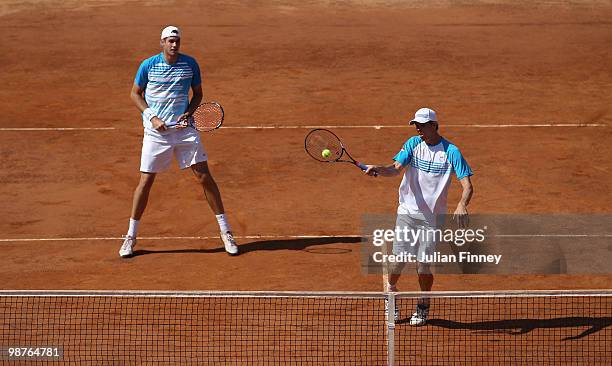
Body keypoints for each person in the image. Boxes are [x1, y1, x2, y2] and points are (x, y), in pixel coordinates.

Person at [119, 26, 239, 258]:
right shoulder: (148, 65)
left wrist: (189, 113)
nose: (174, 45)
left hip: (185, 131)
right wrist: (151, 117)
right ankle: (131, 237)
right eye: (170, 41)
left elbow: (199, 95)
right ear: (162, 42)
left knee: (204, 176)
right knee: (146, 181)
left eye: (177, 41)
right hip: (156, 133)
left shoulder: (190, 64)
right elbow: (135, 94)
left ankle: (226, 232)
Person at [365, 107, 473, 325]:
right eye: (416, 125)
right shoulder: (413, 145)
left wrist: (462, 204)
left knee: (423, 265)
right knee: (399, 262)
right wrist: (378, 168)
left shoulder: (451, 151)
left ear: (434, 125)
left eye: (422, 125)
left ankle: (423, 304)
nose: (418, 129)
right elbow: (395, 168)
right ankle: (392, 293)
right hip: (407, 211)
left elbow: (468, 185)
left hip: (433, 218)